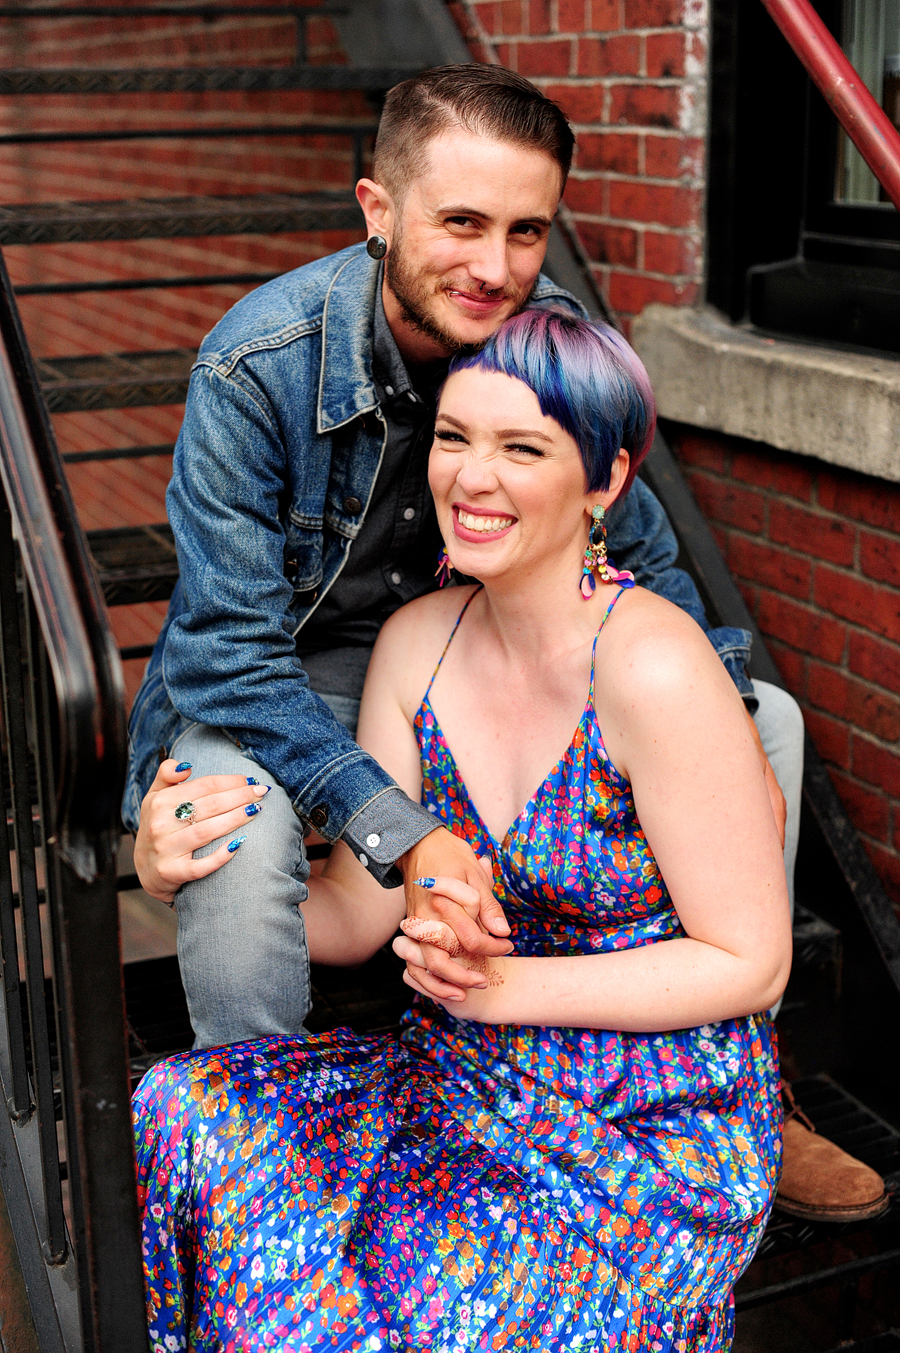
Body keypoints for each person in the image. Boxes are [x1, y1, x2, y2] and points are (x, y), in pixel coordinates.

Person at [126, 64, 885, 1223]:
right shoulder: (255, 367)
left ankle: (737, 1083)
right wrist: (399, 833)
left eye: (527, 230)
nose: (495, 267)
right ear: (379, 212)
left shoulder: (547, 345)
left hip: (476, 643)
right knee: (229, 824)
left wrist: (720, 717)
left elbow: (642, 550)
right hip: (286, 668)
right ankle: (262, 1148)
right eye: (462, 222)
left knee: (768, 722)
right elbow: (224, 649)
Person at [133, 311, 791, 1352]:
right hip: (454, 1076)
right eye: (454, 437)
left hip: (649, 1118)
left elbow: (749, 963)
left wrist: (501, 988)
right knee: (185, 1111)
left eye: (522, 448)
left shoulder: (654, 664)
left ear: (606, 482)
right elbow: (362, 906)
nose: (471, 479)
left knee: (410, 1309)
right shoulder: (416, 645)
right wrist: (188, 873)